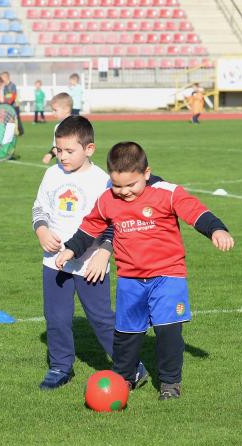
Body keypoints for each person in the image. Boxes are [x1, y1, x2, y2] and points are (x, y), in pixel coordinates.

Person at [56, 141, 235, 400]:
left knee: (168, 330)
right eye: (117, 185)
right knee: (127, 334)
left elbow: (195, 211)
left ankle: (170, 383)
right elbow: (90, 227)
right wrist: (71, 249)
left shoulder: (166, 192)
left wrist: (216, 229)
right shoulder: (108, 199)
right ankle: (124, 378)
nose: (124, 192)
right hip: (130, 278)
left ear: (146, 174)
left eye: (131, 185)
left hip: (167, 275)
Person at [32, 116, 147, 389]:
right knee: (57, 317)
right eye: (59, 150)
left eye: (69, 151)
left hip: (91, 264)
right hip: (55, 262)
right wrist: (42, 231)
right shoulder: (52, 174)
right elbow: (39, 208)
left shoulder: (103, 182)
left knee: (101, 319)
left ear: (89, 149)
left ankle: (131, 366)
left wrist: (104, 252)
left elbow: (113, 222)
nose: (62, 156)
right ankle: (60, 366)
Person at [41, 92, 73, 165]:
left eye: (55, 110)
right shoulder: (57, 127)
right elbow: (56, 147)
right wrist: (50, 154)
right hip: (61, 167)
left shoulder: (78, 126)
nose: (53, 113)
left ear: (66, 109)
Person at [0, 71, 23, 135]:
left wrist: (9, 102)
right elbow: (5, 96)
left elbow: (13, 95)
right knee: (7, 118)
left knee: (17, 118)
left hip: (14, 105)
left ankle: (20, 131)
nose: (1, 80)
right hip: (8, 105)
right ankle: (7, 131)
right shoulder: (4, 87)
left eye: (2, 78)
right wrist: (5, 103)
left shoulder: (12, 85)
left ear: (6, 77)